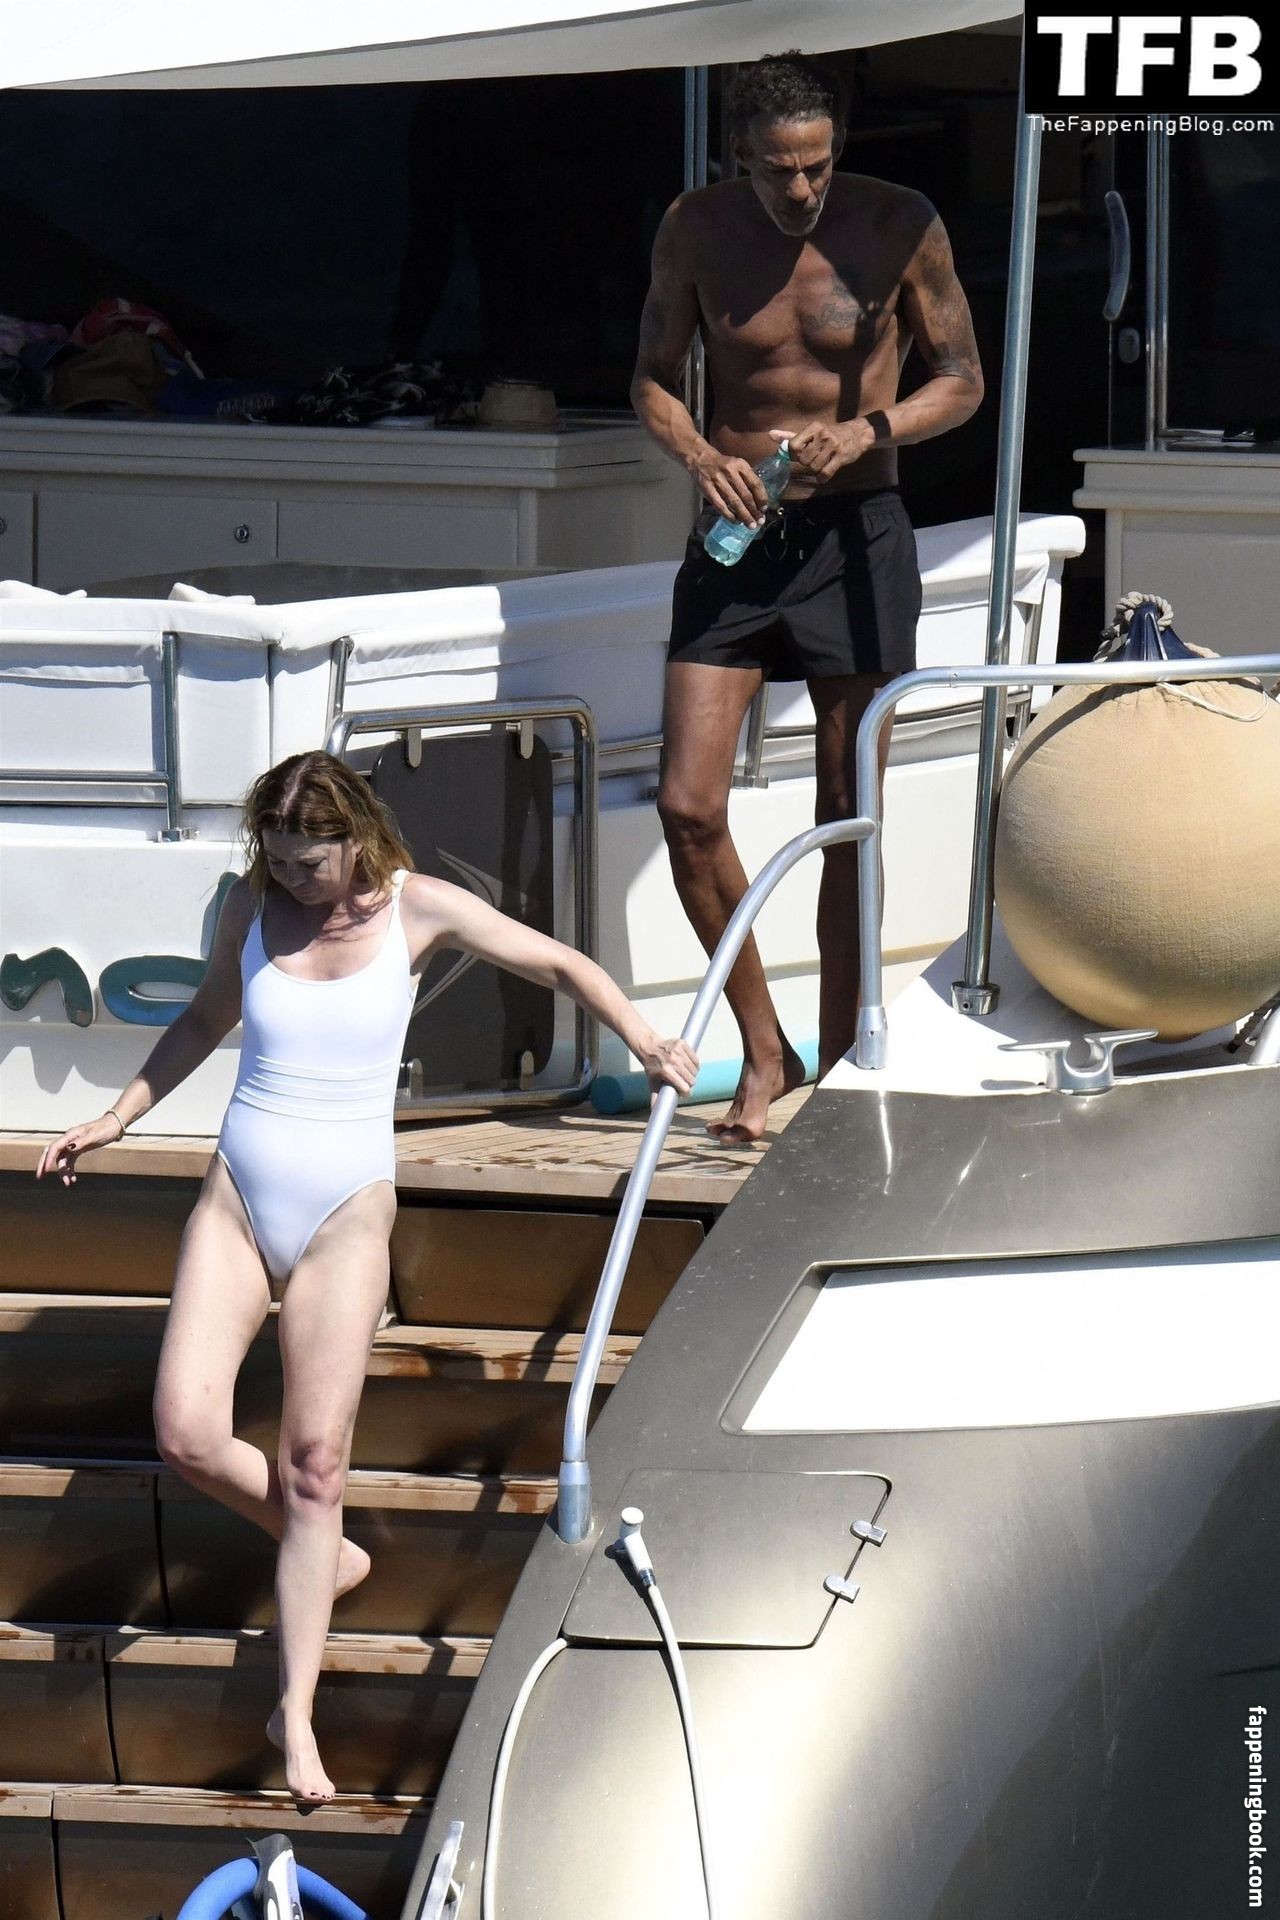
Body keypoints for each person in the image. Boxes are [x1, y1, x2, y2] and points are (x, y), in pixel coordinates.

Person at [36, 752, 698, 1805]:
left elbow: (560, 964)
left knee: (315, 1465)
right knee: (184, 1434)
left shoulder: (418, 909)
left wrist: (646, 1037)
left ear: (355, 837)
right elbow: (206, 1017)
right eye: (278, 861)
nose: (293, 879)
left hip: (345, 1214)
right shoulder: (251, 906)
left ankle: (293, 1713)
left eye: (310, 862)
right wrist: (116, 1118)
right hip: (238, 1197)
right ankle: (325, 1552)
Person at [631, 50, 983, 1141]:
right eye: (779, 169)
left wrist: (871, 429)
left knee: (846, 813)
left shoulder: (898, 221)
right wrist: (699, 454)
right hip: (737, 530)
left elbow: (962, 379)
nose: (801, 188)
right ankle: (764, 1048)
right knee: (688, 807)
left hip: (856, 531)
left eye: (818, 166)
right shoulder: (694, 227)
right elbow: (650, 379)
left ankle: (836, 1065)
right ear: (739, 155)